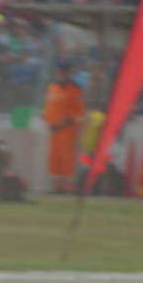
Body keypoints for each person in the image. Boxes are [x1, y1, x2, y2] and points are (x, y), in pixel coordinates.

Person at [42, 61, 85, 194]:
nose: (63, 73)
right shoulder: (52, 87)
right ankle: (56, 188)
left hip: (67, 130)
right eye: (61, 71)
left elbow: (79, 112)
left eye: (65, 71)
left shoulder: (75, 89)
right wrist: (47, 120)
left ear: (69, 72)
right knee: (54, 159)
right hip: (53, 130)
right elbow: (49, 106)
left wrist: (63, 123)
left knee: (67, 159)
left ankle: (68, 188)